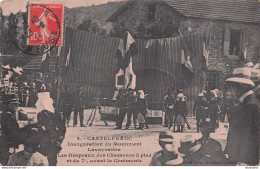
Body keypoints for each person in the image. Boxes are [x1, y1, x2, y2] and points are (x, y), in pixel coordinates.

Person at [225, 67, 259, 166]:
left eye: (232, 86)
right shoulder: (246, 103)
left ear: (242, 86)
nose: (230, 89)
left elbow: (249, 137)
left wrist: (243, 161)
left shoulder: (250, 105)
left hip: (244, 161)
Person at [36, 92, 66, 166]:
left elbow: (62, 128)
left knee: (52, 162)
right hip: (41, 143)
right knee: (39, 162)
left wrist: (59, 140)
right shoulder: (40, 114)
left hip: (52, 143)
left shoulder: (56, 113)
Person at [0, 96, 21, 166]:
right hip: (8, 142)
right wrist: (12, 143)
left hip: (7, 141)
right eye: (15, 105)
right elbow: (10, 131)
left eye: (17, 105)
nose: (16, 107)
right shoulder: (8, 116)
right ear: (9, 105)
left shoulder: (8, 115)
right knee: (7, 160)